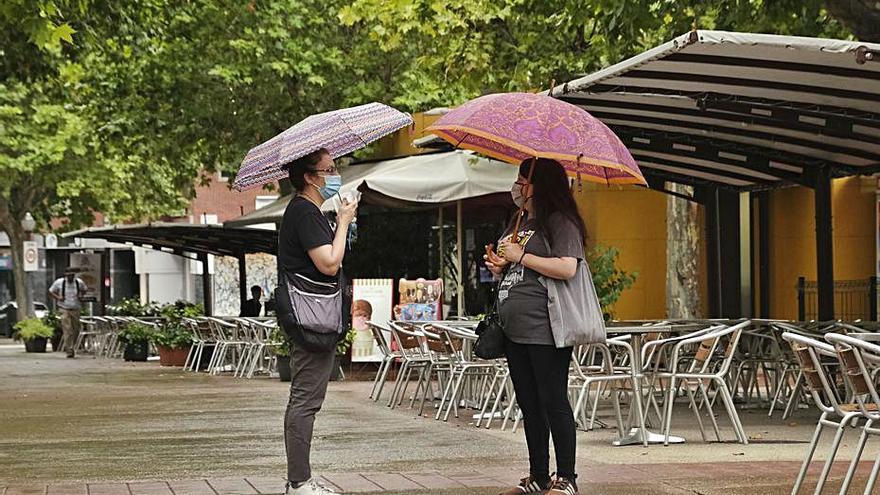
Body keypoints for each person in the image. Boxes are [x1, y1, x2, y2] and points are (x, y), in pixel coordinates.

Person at [484, 158, 587, 495]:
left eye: (522, 180)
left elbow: (567, 268)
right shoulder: (520, 221)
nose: (517, 187)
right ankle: (539, 476)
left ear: (539, 185)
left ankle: (567, 477)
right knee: (529, 403)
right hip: (514, 329)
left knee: (553, 399)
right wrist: (500, 265)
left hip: (546, 326)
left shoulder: (560, 222)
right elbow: (516, 265)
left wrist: (520, 257)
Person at [279, 147, 357, 495]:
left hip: (313, 315)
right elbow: (329, 263)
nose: (335, 175)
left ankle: (300, 479)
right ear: (310, 177)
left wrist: (341, 224)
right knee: (305, 400)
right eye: (329, 169)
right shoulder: (305, 212)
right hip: (313, 317)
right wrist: (344, 221)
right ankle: (299, 482)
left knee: (306, 398)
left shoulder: (307, 212)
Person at [48, 267, 87, 358]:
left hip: (75, 308)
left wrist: (81, 295)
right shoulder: (59, 282)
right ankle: (69, 349)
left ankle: (73, 345)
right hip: (64, 308)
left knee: (76, 329)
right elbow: (50, 291)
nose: (70, 277)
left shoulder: (79, 282)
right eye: (69, 275)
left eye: (72, 275)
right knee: (67, 329)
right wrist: (58, 297)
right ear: (66, 275)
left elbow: (85, 289)